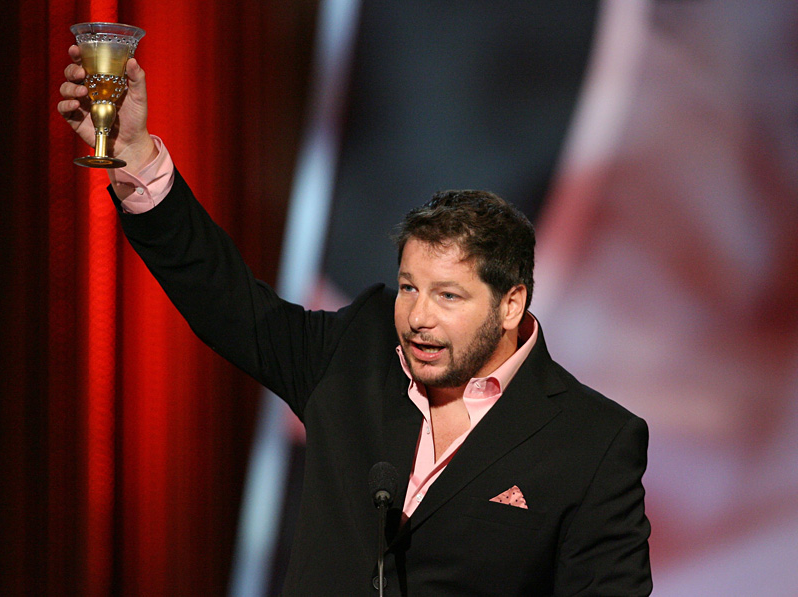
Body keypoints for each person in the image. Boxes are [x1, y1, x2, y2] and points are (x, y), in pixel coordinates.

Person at [59, 47, 652, 596]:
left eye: (447, 296)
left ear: (511, 304)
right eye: (408, 288)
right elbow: (225, 299)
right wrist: (133, 155)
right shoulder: (355, 350)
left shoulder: (592, 442)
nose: (417, 316)